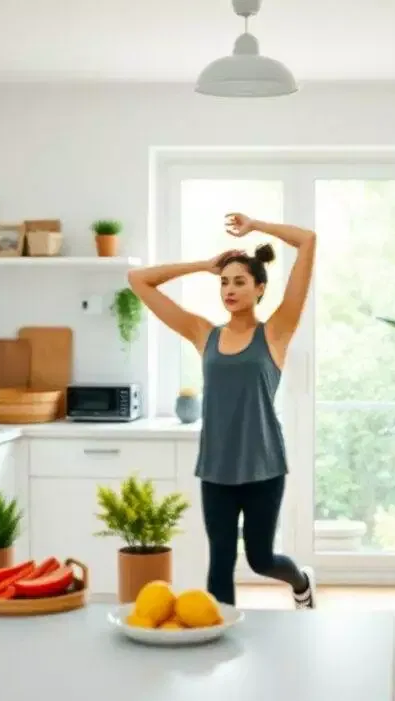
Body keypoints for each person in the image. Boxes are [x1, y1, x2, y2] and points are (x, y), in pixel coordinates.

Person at [127, 212, 317, 609]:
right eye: (224, 282)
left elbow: (307, 240)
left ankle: (300, 582)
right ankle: (219, 648)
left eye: (239, 282)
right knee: (220, 564)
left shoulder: (276, 332)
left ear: (260, 288)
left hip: (264, 465)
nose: (229, 289)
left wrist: (256, 227)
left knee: (261, 559)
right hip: (216, 468)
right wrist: (202, 266)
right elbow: (138, 281)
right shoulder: (204, 334)